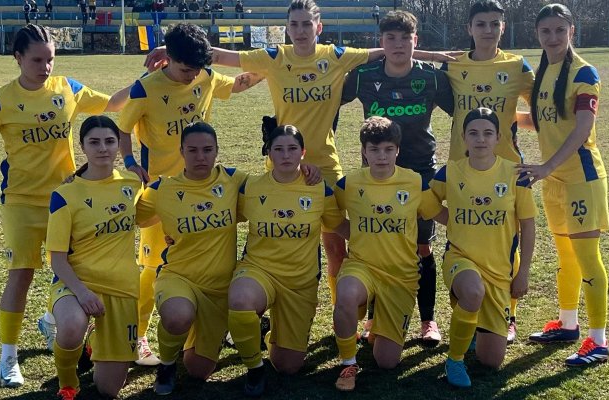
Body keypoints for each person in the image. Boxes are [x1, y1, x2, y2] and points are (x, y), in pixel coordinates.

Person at [143, 0, 454, 305]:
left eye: (307, 24)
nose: (301, 30)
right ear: (287, 28)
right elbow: (224, 56)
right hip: (283, 165)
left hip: (325, 164)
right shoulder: (274, 57)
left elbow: (386, 50)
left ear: (318, 27)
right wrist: (175, 52)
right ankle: (267, 299)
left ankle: (342, 313)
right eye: (295, 24)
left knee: (336, 249)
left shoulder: (335, 56)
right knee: (278, 242)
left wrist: (434, 55)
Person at [0, 24, 129, 388]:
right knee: (21, 274)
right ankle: (8, 355)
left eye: (50, 59)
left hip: (65, 200)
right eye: (37, 60)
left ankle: (52, 322)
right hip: (21, 202)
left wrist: (148, 80)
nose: (45, 67)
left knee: (73, 269)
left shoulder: (68, 88)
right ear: (18, 58)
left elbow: (113, 104)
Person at [118, 23, 264, 367]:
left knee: (209, 259)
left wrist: (274, 67)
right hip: (162, 193)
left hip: (203, 186)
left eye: (197, 69)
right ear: (168, 58)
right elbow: (122, 129)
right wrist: (130, 162)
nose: (192, 76)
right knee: (153, 265)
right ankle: (138, 336)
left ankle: (209, 328)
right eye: (186, 70)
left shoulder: (205, 77)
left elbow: (241, 82)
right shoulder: (145, 88)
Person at [341, 10, 453, 346]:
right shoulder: (363, 76)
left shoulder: (431, 78)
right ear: (381, 42)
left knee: (421, 246)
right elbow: (328, 102)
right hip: (377, 173)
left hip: (419, 173)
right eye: (391, 38)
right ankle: (374, 318)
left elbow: (463, 113)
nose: (398, 44)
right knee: (378, 244)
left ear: (415, 41)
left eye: (406, 38)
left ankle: (428, 320)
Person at [519, 3, 609, 366]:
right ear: (537, 34)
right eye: (546, 31)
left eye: (560, 30)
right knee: (566, 257)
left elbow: (583, 127)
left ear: (572, 31)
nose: (553, 37)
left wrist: (548, 165)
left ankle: (598, 342)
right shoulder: (543, 72)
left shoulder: (584, 72)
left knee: (588, 258)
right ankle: (568, 324)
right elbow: (543, 121)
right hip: (553, 179)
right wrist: (501, 113)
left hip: (581, 179)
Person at [440, 0, 535, 343]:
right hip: (462, 166)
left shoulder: (517, 66)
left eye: (495, 24)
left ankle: (509, 313)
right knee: (463, 234)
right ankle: (466, 304)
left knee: (507, 239)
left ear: (503, 28)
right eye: (481, 24)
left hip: (507, 168)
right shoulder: (453, 64)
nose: (488, 30)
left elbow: (541, 112)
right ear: (469, 28)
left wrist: (511, 120)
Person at [228, 125, 344, 397]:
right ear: (268, 153)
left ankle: (270, 334)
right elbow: (222, 214)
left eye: (292, 149)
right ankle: (255, 368)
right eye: (278, 149)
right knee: (241, 300)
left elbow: (339, 226)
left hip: (300, 282)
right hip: (259, 270)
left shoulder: (319, 189)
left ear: (303, 153)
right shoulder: (250, 187)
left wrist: (385, 233)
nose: (285, 155)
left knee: (288, 366)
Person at [134, 122, 248, 396]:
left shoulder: (233, 180)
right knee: (177, 317)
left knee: (198, 371)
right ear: (181, 152)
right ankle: (167, 365)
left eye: (207, 150)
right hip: (179, 277)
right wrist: (80, 181)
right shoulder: (163, 189)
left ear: (217, 151)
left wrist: (306, 170)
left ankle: (197, 335)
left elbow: (275, 184)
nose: (200, 157)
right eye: (192, 150)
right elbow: (127, 214)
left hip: (218, 289)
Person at [332, 116, 444, 391]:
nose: (381, 156)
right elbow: (333, 219)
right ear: (364, 151)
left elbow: (438, 213)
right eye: (374, 149)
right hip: (362, 266)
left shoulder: (414, 182)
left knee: (386, 362)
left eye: (388, 149)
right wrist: (360, 236)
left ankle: (379, 324)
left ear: (397, 150)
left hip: (400, 275)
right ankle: (348, 363)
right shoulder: (349, 184)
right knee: (345, 294)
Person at [429, 108, 536, 387]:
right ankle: (454, 360)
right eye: (473, 133)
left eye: (488, 133)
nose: (480, 139)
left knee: (491, 361)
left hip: (499, 271)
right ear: (463, 137)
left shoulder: (515, 174)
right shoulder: (450, 171)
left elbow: (528, 226)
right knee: (473, 290)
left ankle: (472, 325)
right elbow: (426, 204)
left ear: (498, 137)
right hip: (460, 259)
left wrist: (523, 272)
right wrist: (452, 220)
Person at [46, 116, 148, 400]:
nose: (103, 148)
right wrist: (82, 293)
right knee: (71, 326)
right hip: (77, 283)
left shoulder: (133, 183)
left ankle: (93, 338)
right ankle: (68, 383)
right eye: (94, 142)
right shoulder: (65, 195)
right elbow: (57, 259)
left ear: (118, 145)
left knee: (109, 390)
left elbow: (151, 214)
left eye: (109, 141)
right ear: (82, 146)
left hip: (122, 287)